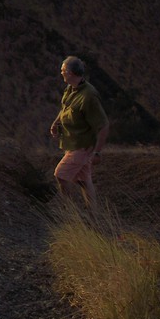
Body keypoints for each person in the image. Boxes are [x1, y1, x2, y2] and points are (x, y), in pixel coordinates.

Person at [48, 55, 109, 206]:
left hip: (82, 145)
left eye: (63, 70)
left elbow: (104, 125)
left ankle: (70, 211)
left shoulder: (89, 96)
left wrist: (97, 152)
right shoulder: (71, 89)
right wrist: (56, 122)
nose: (61, 72)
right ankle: (92, 216)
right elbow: (65, 108)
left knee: (61, 175)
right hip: (72, 142)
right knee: (84, 180)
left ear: (71, 72)